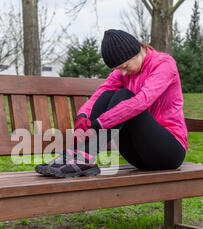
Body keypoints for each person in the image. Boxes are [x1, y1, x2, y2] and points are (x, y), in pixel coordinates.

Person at [35, 29, 188, 178]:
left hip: (169, 152)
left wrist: (100, 124)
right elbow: (101, 93)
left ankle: (85, 156)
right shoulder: (124, 70)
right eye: (118, 69)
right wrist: (83, 116)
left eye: (125, 67)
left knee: (124, 95)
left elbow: (142, 101)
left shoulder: (164, 65)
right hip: (140, 156)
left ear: (136, 52)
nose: (123, 73)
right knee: (109, 94)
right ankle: (76, 153)